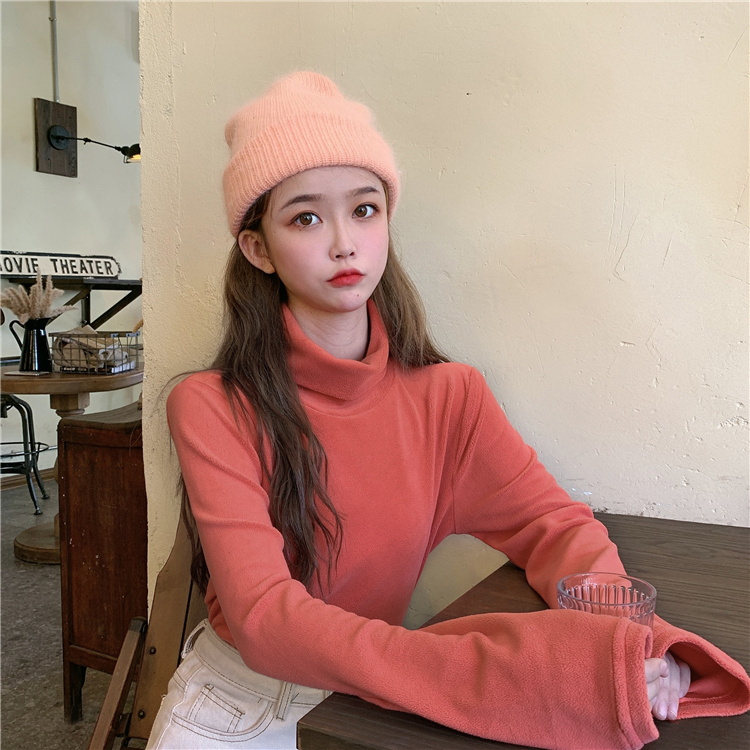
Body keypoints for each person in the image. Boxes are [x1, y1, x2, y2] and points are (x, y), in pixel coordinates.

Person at [149, 72, 750, 750]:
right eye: (306, 218)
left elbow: (551, 524)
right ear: (258, 248)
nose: (345, 242)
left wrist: (635, 643)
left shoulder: (449, 396)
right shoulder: (210, 406)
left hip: (370, 701)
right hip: (237, 705)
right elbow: (265, 620)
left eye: (365, 209)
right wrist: (518, 674)